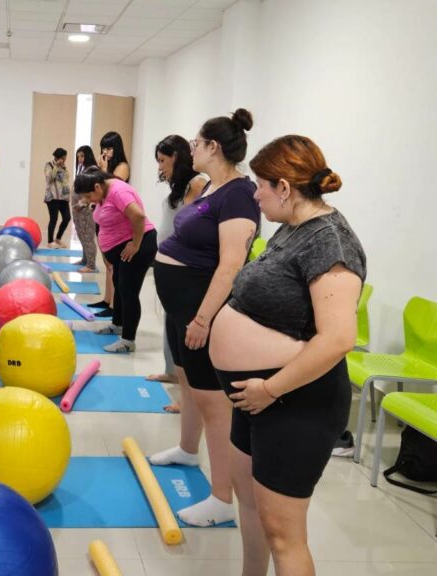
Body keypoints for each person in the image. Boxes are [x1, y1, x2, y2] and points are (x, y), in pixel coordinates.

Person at [211, 135, 365, 576]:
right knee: (253, 511)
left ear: (284, 187)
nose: (253, 193)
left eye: (260, 185)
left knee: (284, 534)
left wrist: (270, 388)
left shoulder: (330, 242)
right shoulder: (293, 227)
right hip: (255, 397)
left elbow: (337, 340)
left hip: (294, 401)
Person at [149, 109, 260, 529]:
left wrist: (202, 318)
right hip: (184, 306)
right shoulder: (215, 188)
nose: (190, 149)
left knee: (215, 404)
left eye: (195, 143)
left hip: (201, 309)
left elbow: (231, 264)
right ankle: (186, 448)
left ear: (213, 147)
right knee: (189, 385)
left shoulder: (239, 195)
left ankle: (222, 498)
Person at [146, 135, 207, 411]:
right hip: (169, 268)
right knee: (170, 327)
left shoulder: (197, 184)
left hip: (186, 271)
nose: (160, 166)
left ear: (177, 157)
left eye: (163, 160)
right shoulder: (178, 185)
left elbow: (194, 226)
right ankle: (171, 372)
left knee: (183, 334)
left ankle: (188, 399)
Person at [73, 167, 157, 353]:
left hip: (138, 247)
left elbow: (138, 215)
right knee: (119, 286)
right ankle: (118, 324)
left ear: (97, 186)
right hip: (122, 248)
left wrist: (135, 244)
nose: (89, 200)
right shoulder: (103, 191)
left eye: (89, 196)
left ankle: (128, 341)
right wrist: (86, 202)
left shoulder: (119, 191)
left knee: (128, 291)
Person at [90, 131, 130, 317]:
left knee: (113, 264)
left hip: (115, 221)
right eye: (103, 148)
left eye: (109, 147)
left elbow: (112, 186)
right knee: (107, 263)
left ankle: (114, 305)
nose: (105, 151)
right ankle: (107, 299)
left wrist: (103, 169)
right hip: (103, 217)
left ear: (117, 148)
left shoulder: (122, 166)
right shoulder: (109, 166)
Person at [71, 145, 99, 273]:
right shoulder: (84, 169)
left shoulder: (92, 170)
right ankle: (85, 259)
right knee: (81, 235)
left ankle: (91, 265)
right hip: (79, 210)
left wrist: (82, 203)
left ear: (88, 155)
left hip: (86, 209)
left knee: (87, 236)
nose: (80, 159)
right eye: (78, 156)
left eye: (82, 156)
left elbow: (92, 192)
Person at [44, 147, 71, 248]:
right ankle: (50, 241)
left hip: (63, 197)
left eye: (65, 158)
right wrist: (56, 166)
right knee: (54, 219)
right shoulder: (49, 165)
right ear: (58, 157)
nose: (65, 160)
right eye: (64, 157)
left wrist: (63, 168)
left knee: (67, 218)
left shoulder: (64, 167)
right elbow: (49, 178)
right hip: (52, 196)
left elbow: (66, 179)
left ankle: (58, 239)